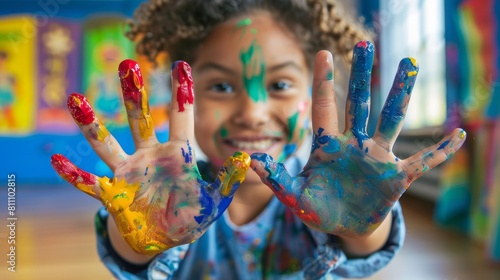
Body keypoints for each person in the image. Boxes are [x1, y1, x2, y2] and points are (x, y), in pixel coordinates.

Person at [50, 0, 467, 279]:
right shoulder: (171, 197)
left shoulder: (325, 197)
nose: (252, 112)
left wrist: (363, 225)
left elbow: (363, 248)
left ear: (312, 94)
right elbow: (132, 258)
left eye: (281, 83)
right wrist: (142, 233)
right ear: (185, 97)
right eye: (221, 87)